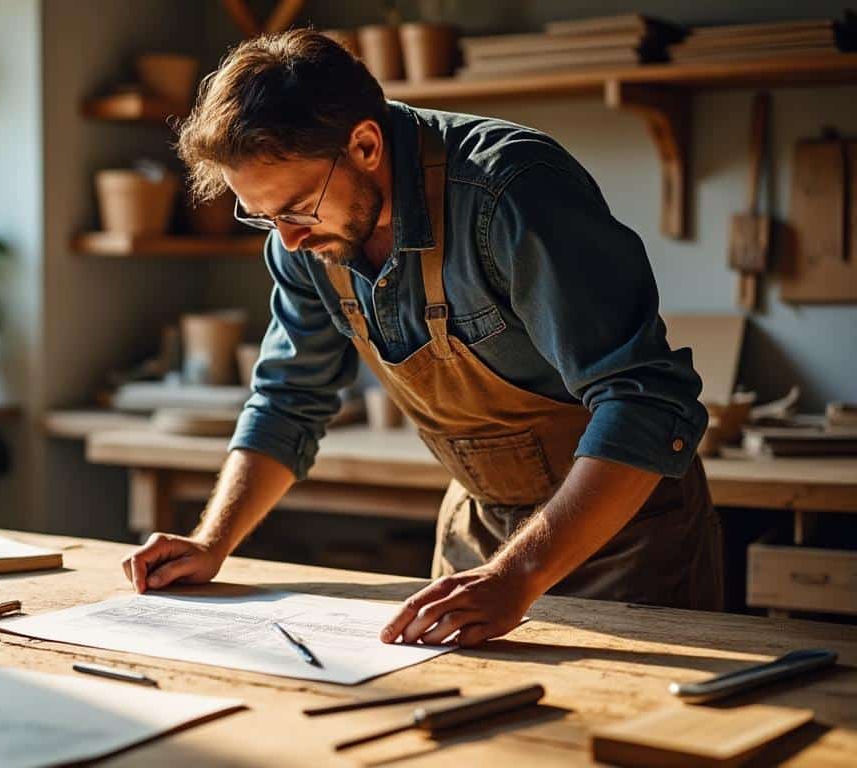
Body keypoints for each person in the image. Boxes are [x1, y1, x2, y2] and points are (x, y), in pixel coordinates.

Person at [120, 29, 722, 647]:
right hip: (483, 531)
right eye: (264, 217)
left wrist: (518, 575)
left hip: (625, 534)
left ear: (365, 144)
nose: (288, 239)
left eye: (296, 209)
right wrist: (210, 542)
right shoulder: (304, 238)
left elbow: (644, 401)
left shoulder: (512, 191)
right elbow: (286, 400)